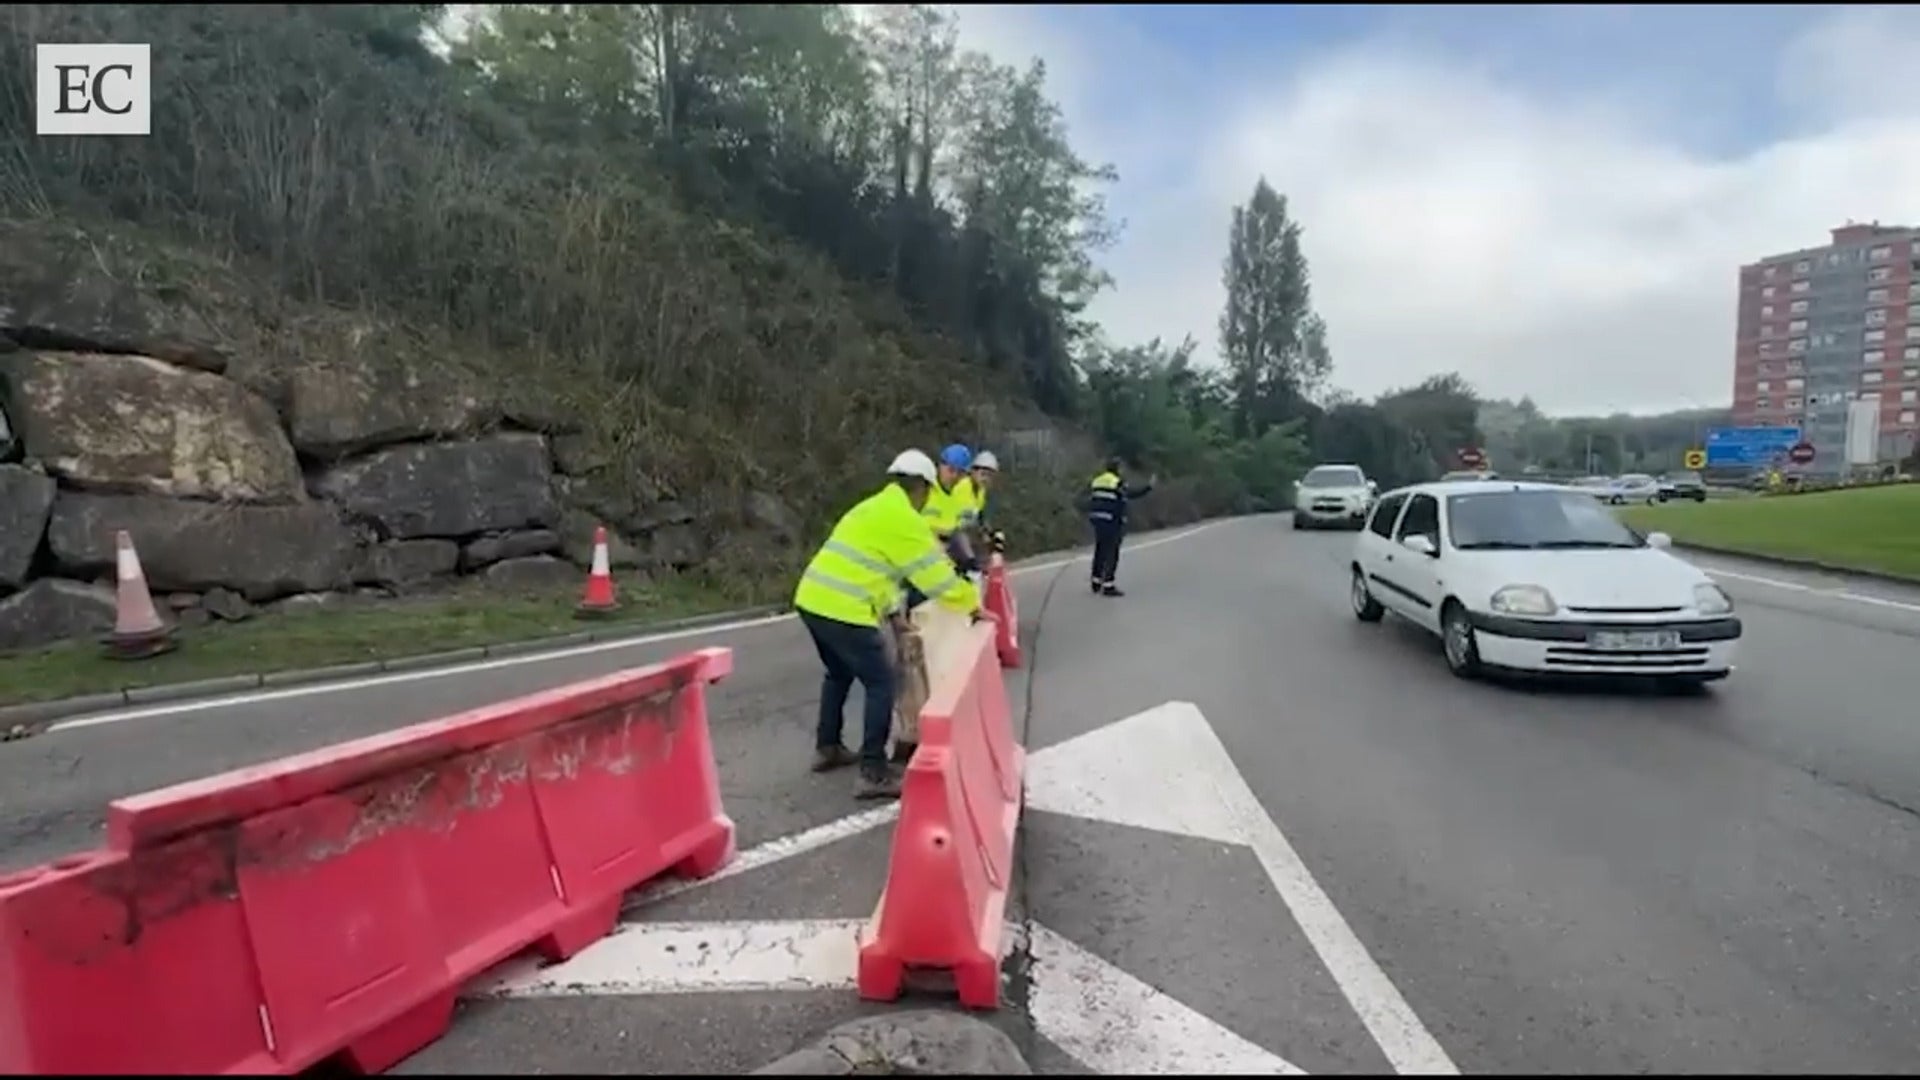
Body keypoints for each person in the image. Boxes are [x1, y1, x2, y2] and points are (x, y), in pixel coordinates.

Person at [793, 449, 986, 799]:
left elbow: (878, 571)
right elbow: (935, 580)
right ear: (924, 488)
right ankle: (873, 771)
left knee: (838, 673)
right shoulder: (905, 520)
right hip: (842, 608)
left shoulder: (869, 508)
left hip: (811, 600)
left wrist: (895, 616)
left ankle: (828, 747)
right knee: (882, 682)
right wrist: (972, 602)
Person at [1086, 456, 1153, 597]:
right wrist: (1148, 487)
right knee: (1112, 552)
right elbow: (1130, 494)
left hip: (1097, 519)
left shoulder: (1097, 480)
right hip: (1111, 520)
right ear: (1117, 469)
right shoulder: (1116, 482)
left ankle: (1096, 581)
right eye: (1121, 468)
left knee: (1100, 549)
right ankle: (1108, 585)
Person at [967, 450, 1006, 557]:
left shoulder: (980, 492)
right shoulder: (960, 488)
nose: (985, 479)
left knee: (998, 537)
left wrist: (989, 533)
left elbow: (980, 517)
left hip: (967, 535)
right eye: (983, 474)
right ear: (973, 471)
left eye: (989, 476)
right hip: (951, 537)